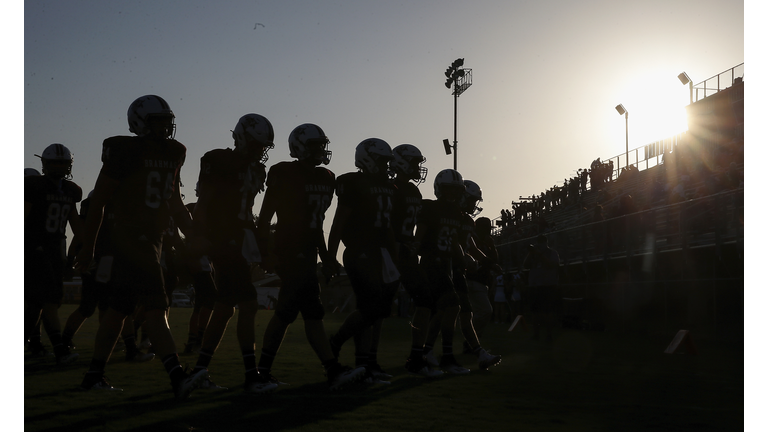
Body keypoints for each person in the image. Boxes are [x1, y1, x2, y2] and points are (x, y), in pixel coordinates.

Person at [74, 95, 208, 397]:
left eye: (166, 120)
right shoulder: (124, 150)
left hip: (153, 239)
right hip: (132, 238)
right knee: (157, 308)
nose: (164, 127)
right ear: (140, 123)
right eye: (157, 121)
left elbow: (173, 199)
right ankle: (177, 377)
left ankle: (93, 376)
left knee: (118, 310)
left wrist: (191, 232)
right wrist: (87, 247)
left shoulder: (175, 152)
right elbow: (99, 203)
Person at [254, 123, 365, 391]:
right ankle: (327, 370)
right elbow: (266, 216)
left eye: (321, 145)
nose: (321, 150)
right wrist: (266, 251)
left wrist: (327, 257)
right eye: (315, 145)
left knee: (307, 313)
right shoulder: (283, 172)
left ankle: (328, 370)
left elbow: (317, 225)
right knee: (292, 312)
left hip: (308, 251)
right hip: (289, 249)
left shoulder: (327, 177)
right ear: (300, 147)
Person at [187, 113, 278, 394]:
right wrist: (198, 236)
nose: (259, 151)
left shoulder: (257, 170)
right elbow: (204, 202)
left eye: (263, 146)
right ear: (241, 137)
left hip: (238, 239)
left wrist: (259, 247)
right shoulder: (219, 159)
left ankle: (200, 371)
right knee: (249, 304)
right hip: (221, 239)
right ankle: (251, 375)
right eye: (256, 144)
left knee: (225, 308)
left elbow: (247, 211)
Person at [327, 138, 400, 384]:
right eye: (382, 160)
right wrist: (329, 257)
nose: (386, 165)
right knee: (371, 309)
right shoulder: (352, 182)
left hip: (381, 253)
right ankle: (335, 343)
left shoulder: (389, 186)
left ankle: (367, 363)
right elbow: (338, 224)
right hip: (360, 250)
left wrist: (395, 256)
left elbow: (387, 226)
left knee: (377, 312)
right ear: (367, 158)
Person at [418, 170, 500, 374]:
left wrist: (487, 262)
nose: (473, 205)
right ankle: (433, 353)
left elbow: (465, 246)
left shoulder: (462, 219)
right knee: (448, 310)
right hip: (440, 264)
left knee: (459, 312)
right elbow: (431, 241)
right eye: (471, 200)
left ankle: (464, 352)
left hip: (453, 267)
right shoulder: (436, 210)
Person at [25, 144, 83, 365]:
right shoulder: (33, 186)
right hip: (35, 250)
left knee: (47, 303)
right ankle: (59, 351)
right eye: (55, 163)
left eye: (63, 163)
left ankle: (58, 351)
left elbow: (75, 223)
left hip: (55, 251)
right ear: (45, 165)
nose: (59, 167)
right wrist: (31, 245)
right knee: (39, 302)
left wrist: (86, 247)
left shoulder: (70, 190)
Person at [389, 144, 443, 378]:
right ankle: (359, 355)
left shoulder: (414, 191)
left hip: (407, 254)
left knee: (426, 301)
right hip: (390, 252)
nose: (418, 168)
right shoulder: (390, 188)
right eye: (414, 163)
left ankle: (416, 356)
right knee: (376, 308)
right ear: (400, 162)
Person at [523, 234, 561, 342]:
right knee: (535, 312)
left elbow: (551, 265)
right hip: (535, 286)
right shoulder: (534, 254)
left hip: (548, 285)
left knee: (548, 312)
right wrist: (531, 253)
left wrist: (539, 254)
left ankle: (549, 335)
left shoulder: (552, 253)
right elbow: (525, 265)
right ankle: (536, 334)